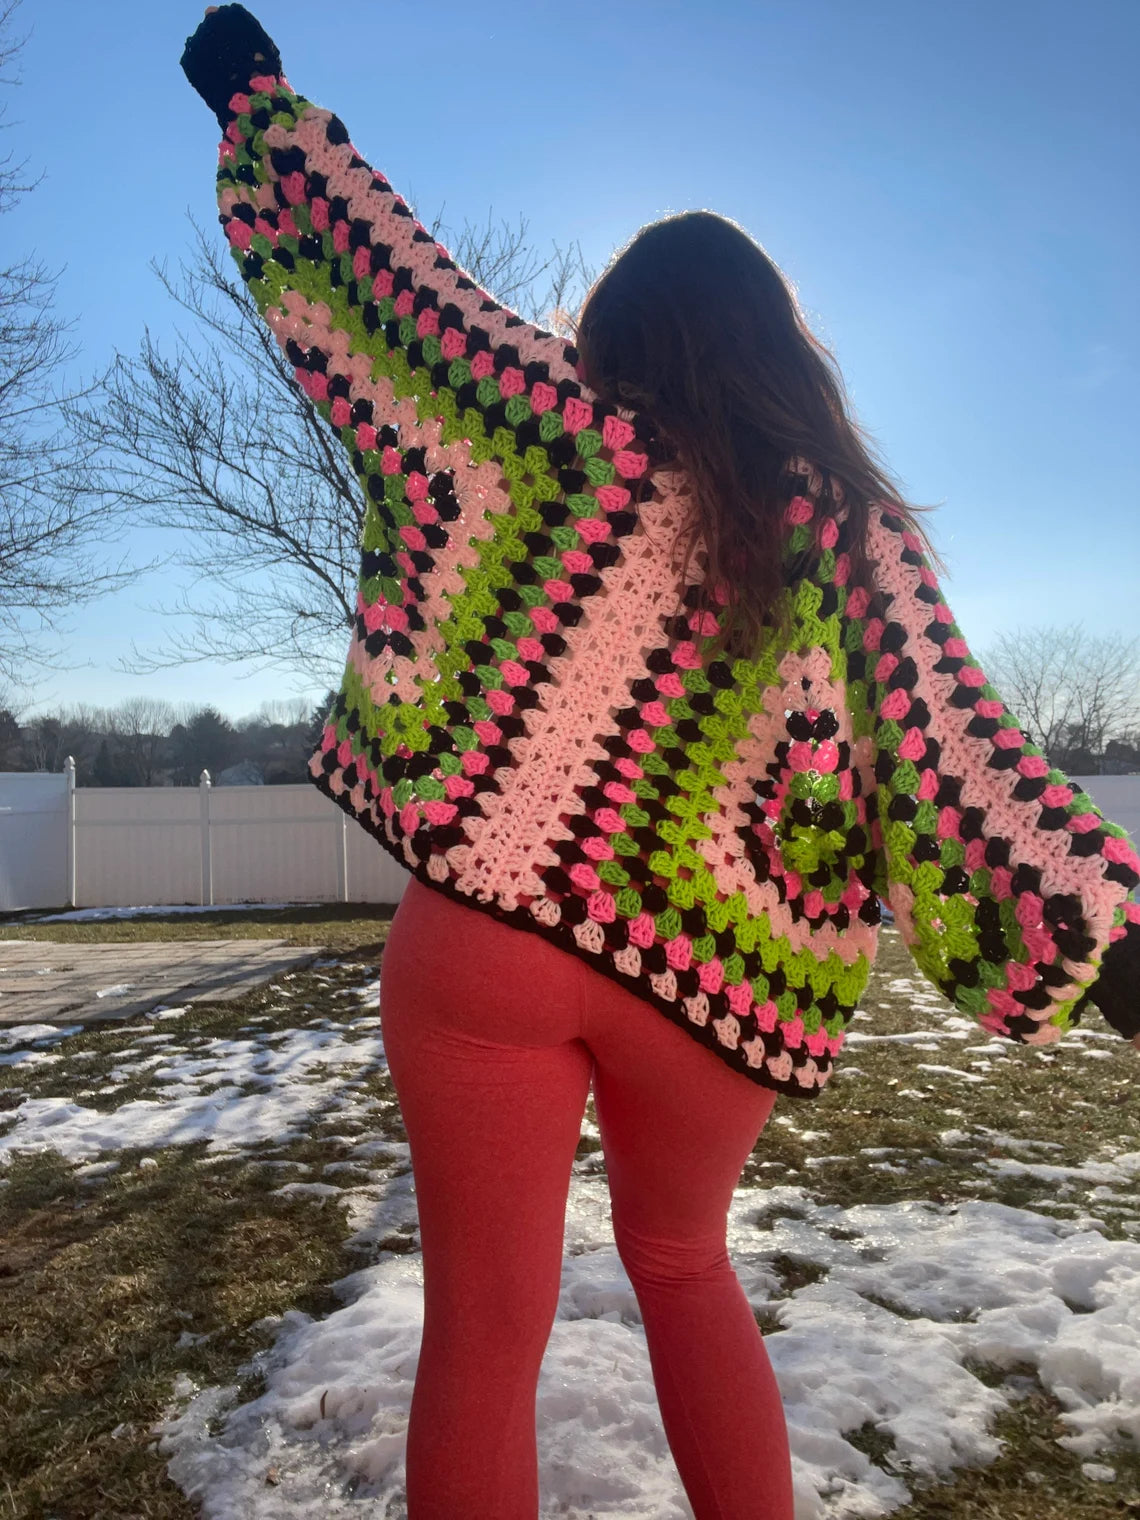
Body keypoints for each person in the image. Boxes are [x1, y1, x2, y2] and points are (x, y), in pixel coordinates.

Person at [181, 10, 1140, 1517]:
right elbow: (961, 755)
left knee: (484, 1341)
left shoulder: (533, 428)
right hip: (713, 973)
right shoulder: (850, 531)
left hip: (487, 935)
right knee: (688, 1272)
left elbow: (383, 291)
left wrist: (259, 112)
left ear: (613, 329)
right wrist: (1112, 946)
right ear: (780, 345)